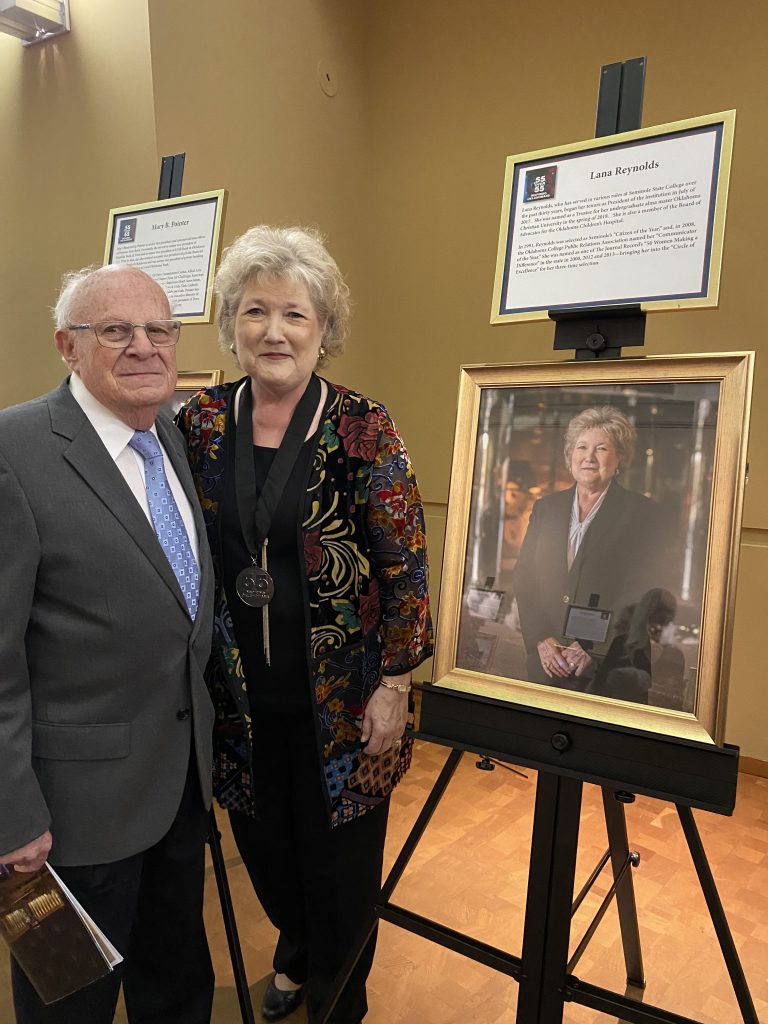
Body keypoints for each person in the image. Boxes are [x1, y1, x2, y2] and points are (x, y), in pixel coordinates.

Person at [177, 225, 433, 1024]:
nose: (274, 331)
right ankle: (295, 952)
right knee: (270, 859)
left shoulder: (363, 425)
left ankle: (338, 997)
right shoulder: (201, 422)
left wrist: (395, 682)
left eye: (295, 314)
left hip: (347, 705)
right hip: (241, 704)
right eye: (255, 312)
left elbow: (405, 562)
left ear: (324, 328)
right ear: (231, 325)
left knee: (343, 871)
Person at [0, 265, 216, 1024]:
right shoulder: (13, 450)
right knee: (68, 1003)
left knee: (178, 988)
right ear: (68, 345)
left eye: (159, 329)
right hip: (66, 823)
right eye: (114, 330)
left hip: (177, 794)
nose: (143, 347)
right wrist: (10, 814)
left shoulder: (169, 440)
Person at [513, 405, 663, 690]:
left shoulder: (642, 513)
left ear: (620, 458)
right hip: (548, 663)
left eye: (602, 449)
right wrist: (541, 640)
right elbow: (524, 577)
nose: (589, 457)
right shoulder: (547, 508)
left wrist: (593, 648)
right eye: (581, 447)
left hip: (610, 667)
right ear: (570, 456)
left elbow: (642, 590)